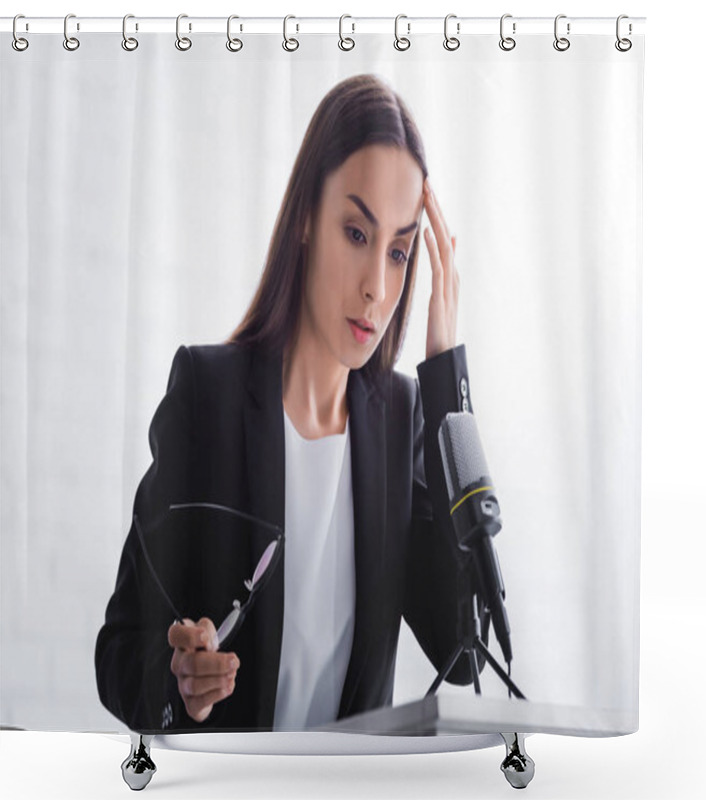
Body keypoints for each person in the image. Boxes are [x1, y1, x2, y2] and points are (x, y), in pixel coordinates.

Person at [95, 74, 487, 734]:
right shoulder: (208, 392)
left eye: (398, 251)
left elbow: (468, 647)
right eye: (357, 235)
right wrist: (178, 681)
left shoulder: (401, 416)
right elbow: (120, 654)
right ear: (307, 217)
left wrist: (447, 381)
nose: (377, 288)